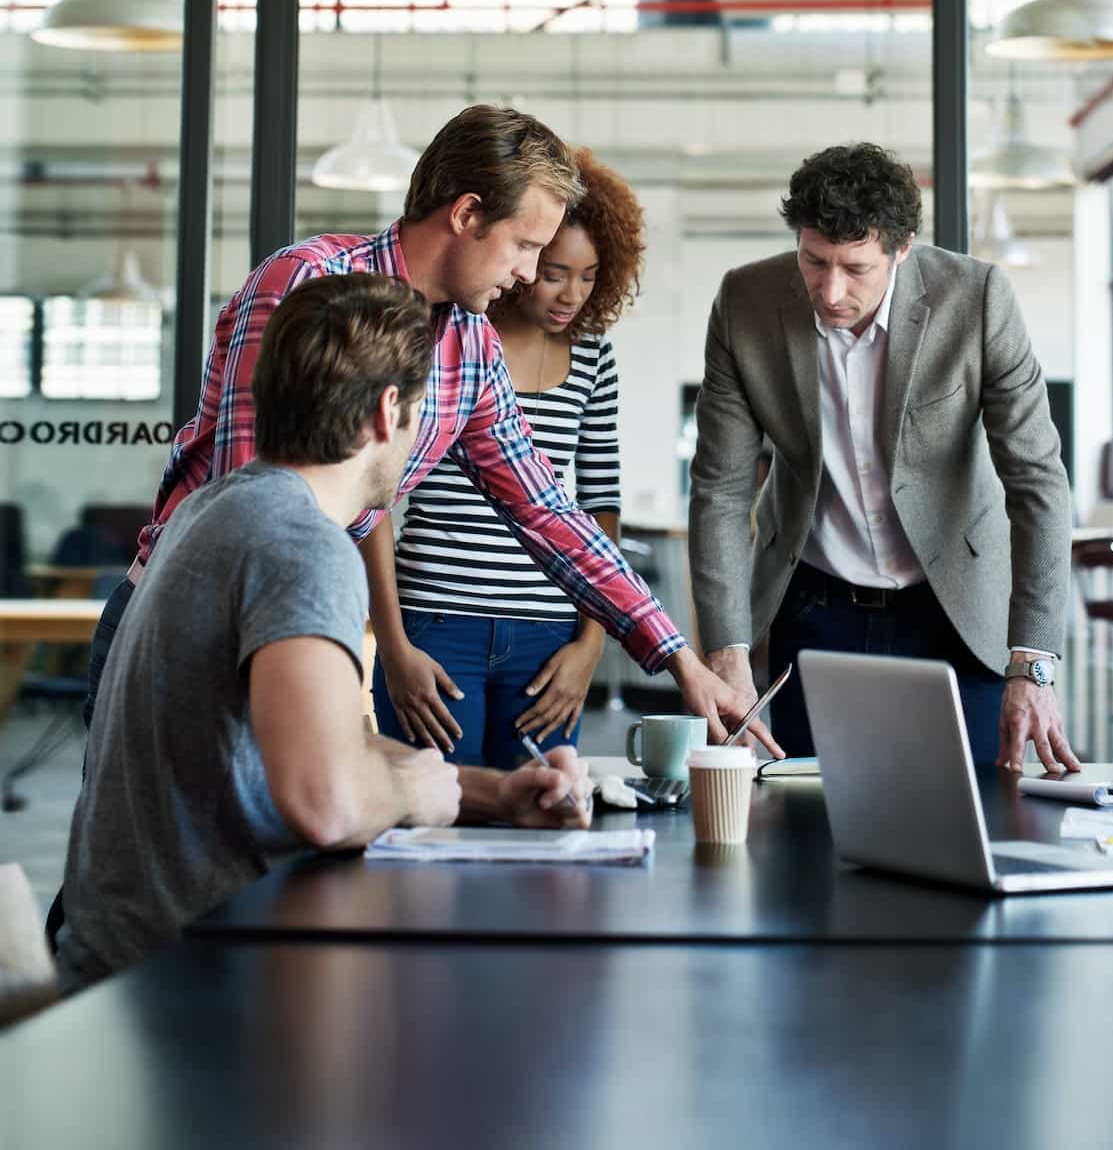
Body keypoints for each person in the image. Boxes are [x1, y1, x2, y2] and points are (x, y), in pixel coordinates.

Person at [82, 105, 763, 748]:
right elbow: (250, 503)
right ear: (467, 214)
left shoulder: (470, 345)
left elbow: (546, 509)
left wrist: (679, 658)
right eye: (525, 245)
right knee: (142, 865)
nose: (529, 274)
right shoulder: (307, 283)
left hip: (301, 634)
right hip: (188, 625)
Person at [54, 275, 591, 993]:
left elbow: (313, 739)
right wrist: (413, 799)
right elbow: (324, 801)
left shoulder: (218, 509)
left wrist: (493, 793)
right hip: (189, 987)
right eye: (423, 411)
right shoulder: (303, 546)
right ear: (386, 411)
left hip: (134, 960)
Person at [688, 142, 1078, 772]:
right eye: (814, 261)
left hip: (955, 611)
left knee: (970, 823)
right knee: (808, 827)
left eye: (855, 267)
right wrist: (727, 650)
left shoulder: (976, 300)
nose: (831, 289)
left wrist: (1033, 660)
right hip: (815, 608)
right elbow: (720, 490)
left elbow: (1037, 483)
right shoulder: (745, 303)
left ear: (903, 248)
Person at [372, 149, 642, 764]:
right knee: (430, 825)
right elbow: (375, 497)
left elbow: (596, 504)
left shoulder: (594, 358)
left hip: (549, 639)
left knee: (544, 826)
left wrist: (590, 647)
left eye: (590, 275)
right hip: (436, 623)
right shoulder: (450, 337)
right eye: (552, 270)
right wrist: (391, 644)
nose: (571, 293)